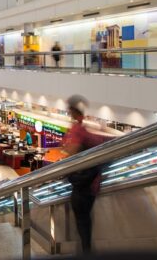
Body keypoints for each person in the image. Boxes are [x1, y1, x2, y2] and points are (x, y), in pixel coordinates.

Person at [63, 95, 105, 254]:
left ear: (73, 111)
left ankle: (86, 251)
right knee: (84, 220)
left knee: (82, 220)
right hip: (91, 182)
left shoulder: (78, 130)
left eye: (70, 110)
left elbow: (71, 151)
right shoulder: (85, 130)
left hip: (83, 184)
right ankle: (86, 249)